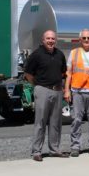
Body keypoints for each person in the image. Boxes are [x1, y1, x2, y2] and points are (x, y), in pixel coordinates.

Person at [25, 30, 69, 162]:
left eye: (53, 39)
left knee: (56, 122)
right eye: (48, 39)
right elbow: (28, 74)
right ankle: (37, 151)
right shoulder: (36, 55)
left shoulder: (60, 54)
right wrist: (37, 86)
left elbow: (63, 73)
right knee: (40, 122)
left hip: (57, 90)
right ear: (43, 40)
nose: (51, 41)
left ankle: (54, 149)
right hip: (42, 90)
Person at [64, 29, 89, 157]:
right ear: (80, 40)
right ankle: (75, 146)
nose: (86, 40)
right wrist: (66, 90)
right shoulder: (74, 53)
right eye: (84, 38)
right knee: (76, 119)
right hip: (77, 91)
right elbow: (69, 73)